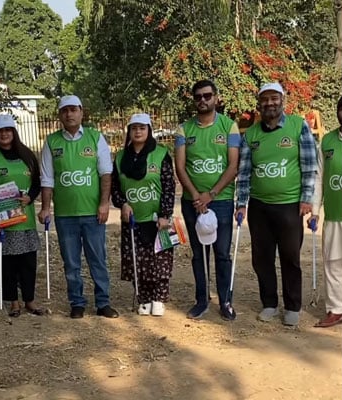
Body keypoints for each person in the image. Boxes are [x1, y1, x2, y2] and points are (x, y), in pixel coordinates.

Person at [236, 82, 318, 327]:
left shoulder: (297, 126)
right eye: (265, 99)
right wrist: (241, 204)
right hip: (260, 206)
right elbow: (245, 171)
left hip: (291, 205)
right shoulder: (251, 134)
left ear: (282, 100)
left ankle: (292, 305)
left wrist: (307, 198)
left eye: (274, 99)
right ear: (259, 103)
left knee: (290, 257)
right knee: (261, 258)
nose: (270, 103)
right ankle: (269, 303)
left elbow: (309, 165)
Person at [38, 95, 119, 319]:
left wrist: (104, 204)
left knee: (98, 260)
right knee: (71, 262)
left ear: (82, 112)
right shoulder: (52, 142)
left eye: (73, 109)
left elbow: (105, 173)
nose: (69, 114)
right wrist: (46, 208)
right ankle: (77, 303)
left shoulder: (95, 137)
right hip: (65, 216)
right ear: (59, 115)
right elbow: (47, 178)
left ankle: (103, 302)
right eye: (65, 111)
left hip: (93, 214)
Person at [174, 80, 240, 321]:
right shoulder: (183, 130)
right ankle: (201, 300)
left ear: (216, 97)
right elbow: (180, 167)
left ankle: (225, 301)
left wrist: (210, 195)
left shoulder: (229, 127)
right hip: (193, 203)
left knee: (222, 253)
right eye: (198, 97)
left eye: (207, 95)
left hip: (220, 201)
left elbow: (233, 166)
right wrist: (195, 195)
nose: (203, 100)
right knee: (198, 253)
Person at [0, 114, 45, 318]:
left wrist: (31, 198)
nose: (4, 134)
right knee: (8, 264)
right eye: (0, 131)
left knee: (28, 262)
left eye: (8, 130)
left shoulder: (27, 155)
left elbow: (36, 183)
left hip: (26, 220)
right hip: (4, 221)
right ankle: (13, 302)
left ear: (14, 132)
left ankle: (29, 300)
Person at [111, 113, 176, 316]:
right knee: (137, 260)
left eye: (142, 128)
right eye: (134, 128)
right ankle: (144, 298)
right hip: (132, 220)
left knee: (159, 260)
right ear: (129, 131)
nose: (138, 132)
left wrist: (165, 214)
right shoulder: (121, 157)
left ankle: (159, 298)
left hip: (157, 220)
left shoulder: (161, 154)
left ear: (149, 130)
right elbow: (115, 188)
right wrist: (122, 204)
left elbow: (168, 186)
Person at [309, 96, 342, 328]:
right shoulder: (328, 141)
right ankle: (336, 309)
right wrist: (314, 210)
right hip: (334, 215)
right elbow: (319, 177)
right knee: (333, 263)